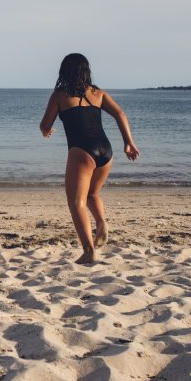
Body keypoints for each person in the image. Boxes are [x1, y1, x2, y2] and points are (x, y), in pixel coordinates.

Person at [39, 53, 140, 264]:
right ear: (87, 71)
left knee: (76, 203)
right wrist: (128, 142)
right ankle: (101, 222)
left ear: (63, 71)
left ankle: (88, 251)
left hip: (81, 151)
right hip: (106, 150)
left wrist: (47, 130)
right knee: (93, 193)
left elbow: (45, 125)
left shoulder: (60, 95)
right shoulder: (98, 93)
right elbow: (120, 114)